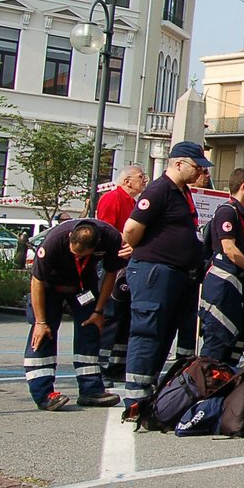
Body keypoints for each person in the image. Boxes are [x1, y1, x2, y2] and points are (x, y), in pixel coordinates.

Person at [120, 141, 209, 420]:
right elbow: (131, 229)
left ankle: (149, 393)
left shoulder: (181, 192)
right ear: (178, 163)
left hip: (175, 274)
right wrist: (145, 249)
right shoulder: (159, 190)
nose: (199, 173)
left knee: (162, 335)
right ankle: (135, 400)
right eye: (196, 167)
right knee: (148, 334)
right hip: (155, 272)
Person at [23, 219, 128, 410]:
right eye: (74, 253)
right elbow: (36, 280)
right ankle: (44, 394)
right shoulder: (53, 241)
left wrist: (98, 310)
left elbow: (111, 273)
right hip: (49, 286)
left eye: (82, 255)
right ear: (70, 237)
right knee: (44, 334)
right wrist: (40, 321)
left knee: (90, 329)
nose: (77, 257)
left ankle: (91, 390)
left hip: (82, 288)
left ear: (96, 246)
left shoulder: (111, 238)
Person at [197, 169, 244, 365]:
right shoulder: (227, 211)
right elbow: (229, 249)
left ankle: (223, 386)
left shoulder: (240, 214)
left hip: (235, 286)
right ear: (243, 186)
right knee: (217, 341)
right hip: (222, 285)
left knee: (232, 341)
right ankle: (207, 389)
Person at [94, 164, 146, 383]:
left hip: (127, 265)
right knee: (112, 314)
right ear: (127, 181)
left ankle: (117, 363)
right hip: (114, 265)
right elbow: (106, 230)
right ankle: (103, 365)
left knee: (124, 317)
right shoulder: (112, 199)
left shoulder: (132, 203)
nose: (145, 180)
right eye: (141, 177)